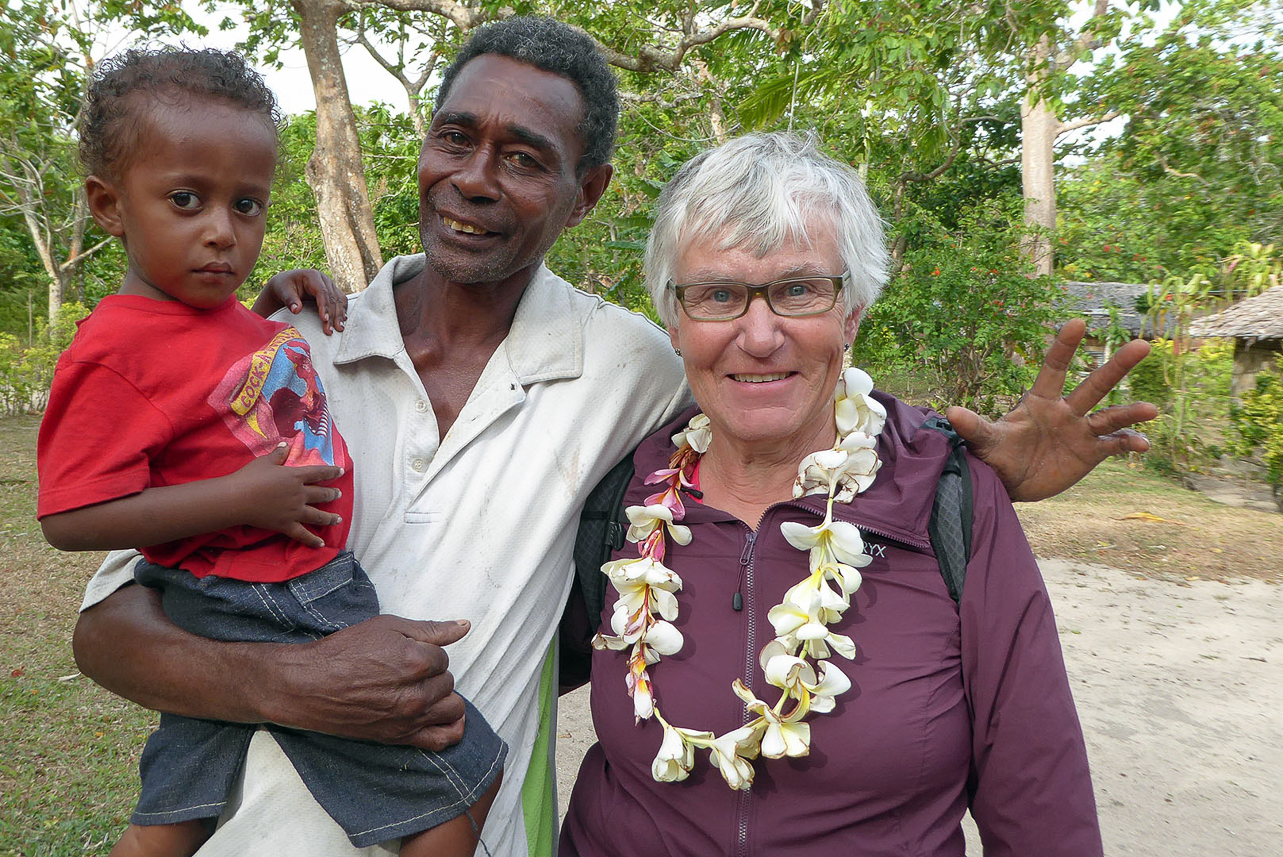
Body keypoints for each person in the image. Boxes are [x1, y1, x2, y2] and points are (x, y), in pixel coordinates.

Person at [70, 18, 1153, 857]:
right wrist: (299, 682)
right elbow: (108, 626)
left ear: (583, 194)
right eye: (456, 137)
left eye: (525, 156)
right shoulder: (286, 348)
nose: (477, 177)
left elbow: (780, 384)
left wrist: (959, 454)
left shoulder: (626, 366)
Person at [560, 130, 1102, 856]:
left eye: (797, 290)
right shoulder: (620, 494)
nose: (758, 334)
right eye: (718, 294)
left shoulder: (950, 498)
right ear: (674, 320)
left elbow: (1040, 798)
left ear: (851, 312)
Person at [37, 48, 504, 857]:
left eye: (246, 204)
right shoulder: (111, 350)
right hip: (273, 589)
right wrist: (242, 500)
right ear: (109, 205)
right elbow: (70, 515)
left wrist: (271, 299)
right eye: (186, 200)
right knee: (460, 775)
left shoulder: (208, 311)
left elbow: (213, 394)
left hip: (258, 578)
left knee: (176, 803)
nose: (222, 230)